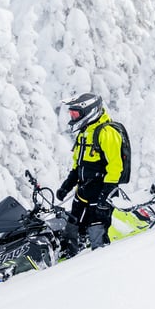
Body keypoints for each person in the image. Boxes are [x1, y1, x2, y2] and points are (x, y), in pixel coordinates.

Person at [56, 93, 124, 256]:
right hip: (83, 192)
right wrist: (66, 186)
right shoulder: (85, 133)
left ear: (89, 111)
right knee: (72, 227)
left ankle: (94, 268)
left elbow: (115, 166)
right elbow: (78, 165)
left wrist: (105, 196)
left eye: (75, 113)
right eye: (71, 113)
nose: (72, 117)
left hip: (99, 195)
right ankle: (68, 260)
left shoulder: (106, 132)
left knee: (97, 236)